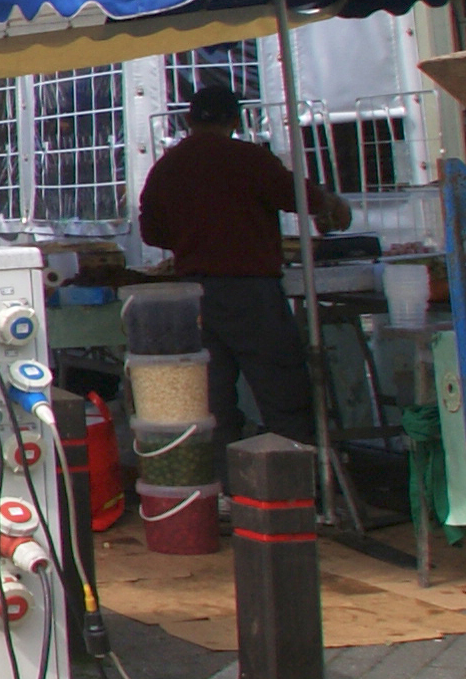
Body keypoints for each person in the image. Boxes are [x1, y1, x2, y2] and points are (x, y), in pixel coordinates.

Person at [136, 80, 349, 445]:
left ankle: (224, 487)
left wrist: (193, 238)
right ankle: (293, 483)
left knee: (213, 402)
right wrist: (331, 204)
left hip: (195, 296)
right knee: (282, 393)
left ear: (189, 120)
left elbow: (152, 233)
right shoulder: (249, 159)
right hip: (252, 292)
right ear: (235, 119)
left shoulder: (167, 168)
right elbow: (303, 197)